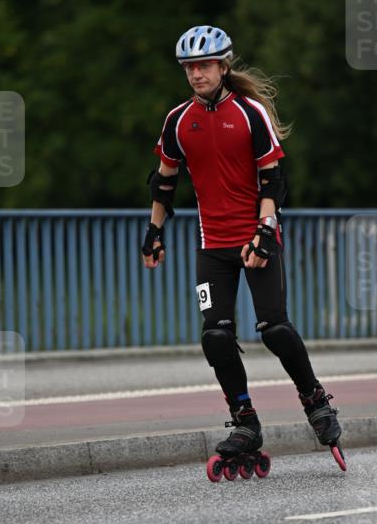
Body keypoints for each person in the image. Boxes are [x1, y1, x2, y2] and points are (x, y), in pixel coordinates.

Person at [141, 25, 344, 469]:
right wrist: (154, 232)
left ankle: (315, 399)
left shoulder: (250, 113)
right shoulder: (178, 121)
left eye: (204, 66)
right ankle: (245, 420)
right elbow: (164, 181)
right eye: (190, 67)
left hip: (256, 238)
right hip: (211, 245)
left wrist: (266, 230)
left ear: (223, 66)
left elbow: (273, 178)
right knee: (216, 336)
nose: (196, 74)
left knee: (274, 328)